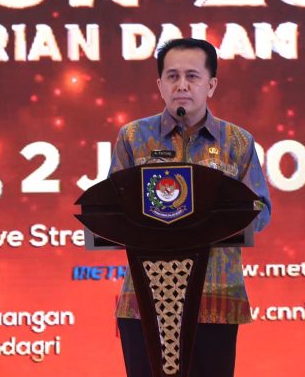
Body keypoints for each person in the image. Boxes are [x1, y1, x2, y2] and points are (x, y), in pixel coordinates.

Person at [108, 38, 272, 377]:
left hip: (216, 298)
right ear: (160, 85)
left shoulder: (237, 141)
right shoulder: (133, 137)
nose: (181, 85)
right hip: (145, 300)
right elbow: (110, 208)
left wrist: (214, 217)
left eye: (192, 76)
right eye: (172, 76)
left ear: (211, 85)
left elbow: (261, 210)